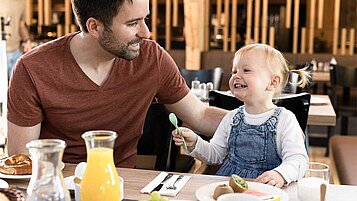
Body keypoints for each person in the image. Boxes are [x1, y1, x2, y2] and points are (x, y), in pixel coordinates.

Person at [7, 0, 227, 167]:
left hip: (124, 188)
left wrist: (258, 120)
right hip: (59, 188)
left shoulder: (152, 58)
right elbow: (21, 161)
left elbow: (200, 116)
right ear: (94, 27)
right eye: (132, 23)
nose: (146, 33)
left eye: (145, 19)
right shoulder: (33, 69)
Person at [172, 44, 310, 188]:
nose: (236, 76)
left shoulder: (285, 120)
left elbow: (298, 159)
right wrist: (195, 143)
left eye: (246, 70)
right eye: (234, 71)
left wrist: (280, 174)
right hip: (229, 187)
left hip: (266, 190)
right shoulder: (231, 118)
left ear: (272, 82)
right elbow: (215, 155)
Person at [0, 0, 32, 79]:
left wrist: (27, 40)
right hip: (1, 52)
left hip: (16, 52)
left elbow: (21, 24)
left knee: (17, 87)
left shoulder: (21, 2)